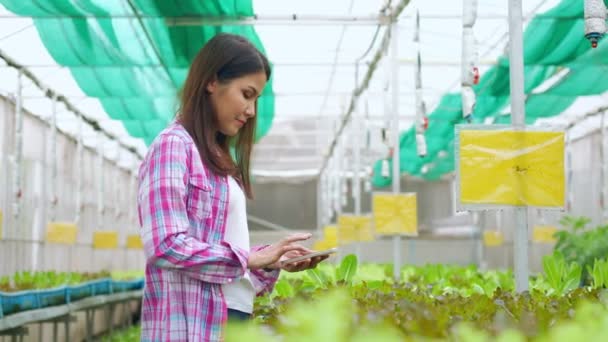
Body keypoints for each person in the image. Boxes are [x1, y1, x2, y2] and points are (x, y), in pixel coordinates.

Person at [136, 33, 327, 341]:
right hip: (193, 323)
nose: (251, 110)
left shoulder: (218, 160)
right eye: (246, 94)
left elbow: (222, 253)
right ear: (212, 81)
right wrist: (248, 258)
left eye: (255, 100)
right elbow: (165, 245)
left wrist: (272, 260)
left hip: (231, 315)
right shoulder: (174, 146)